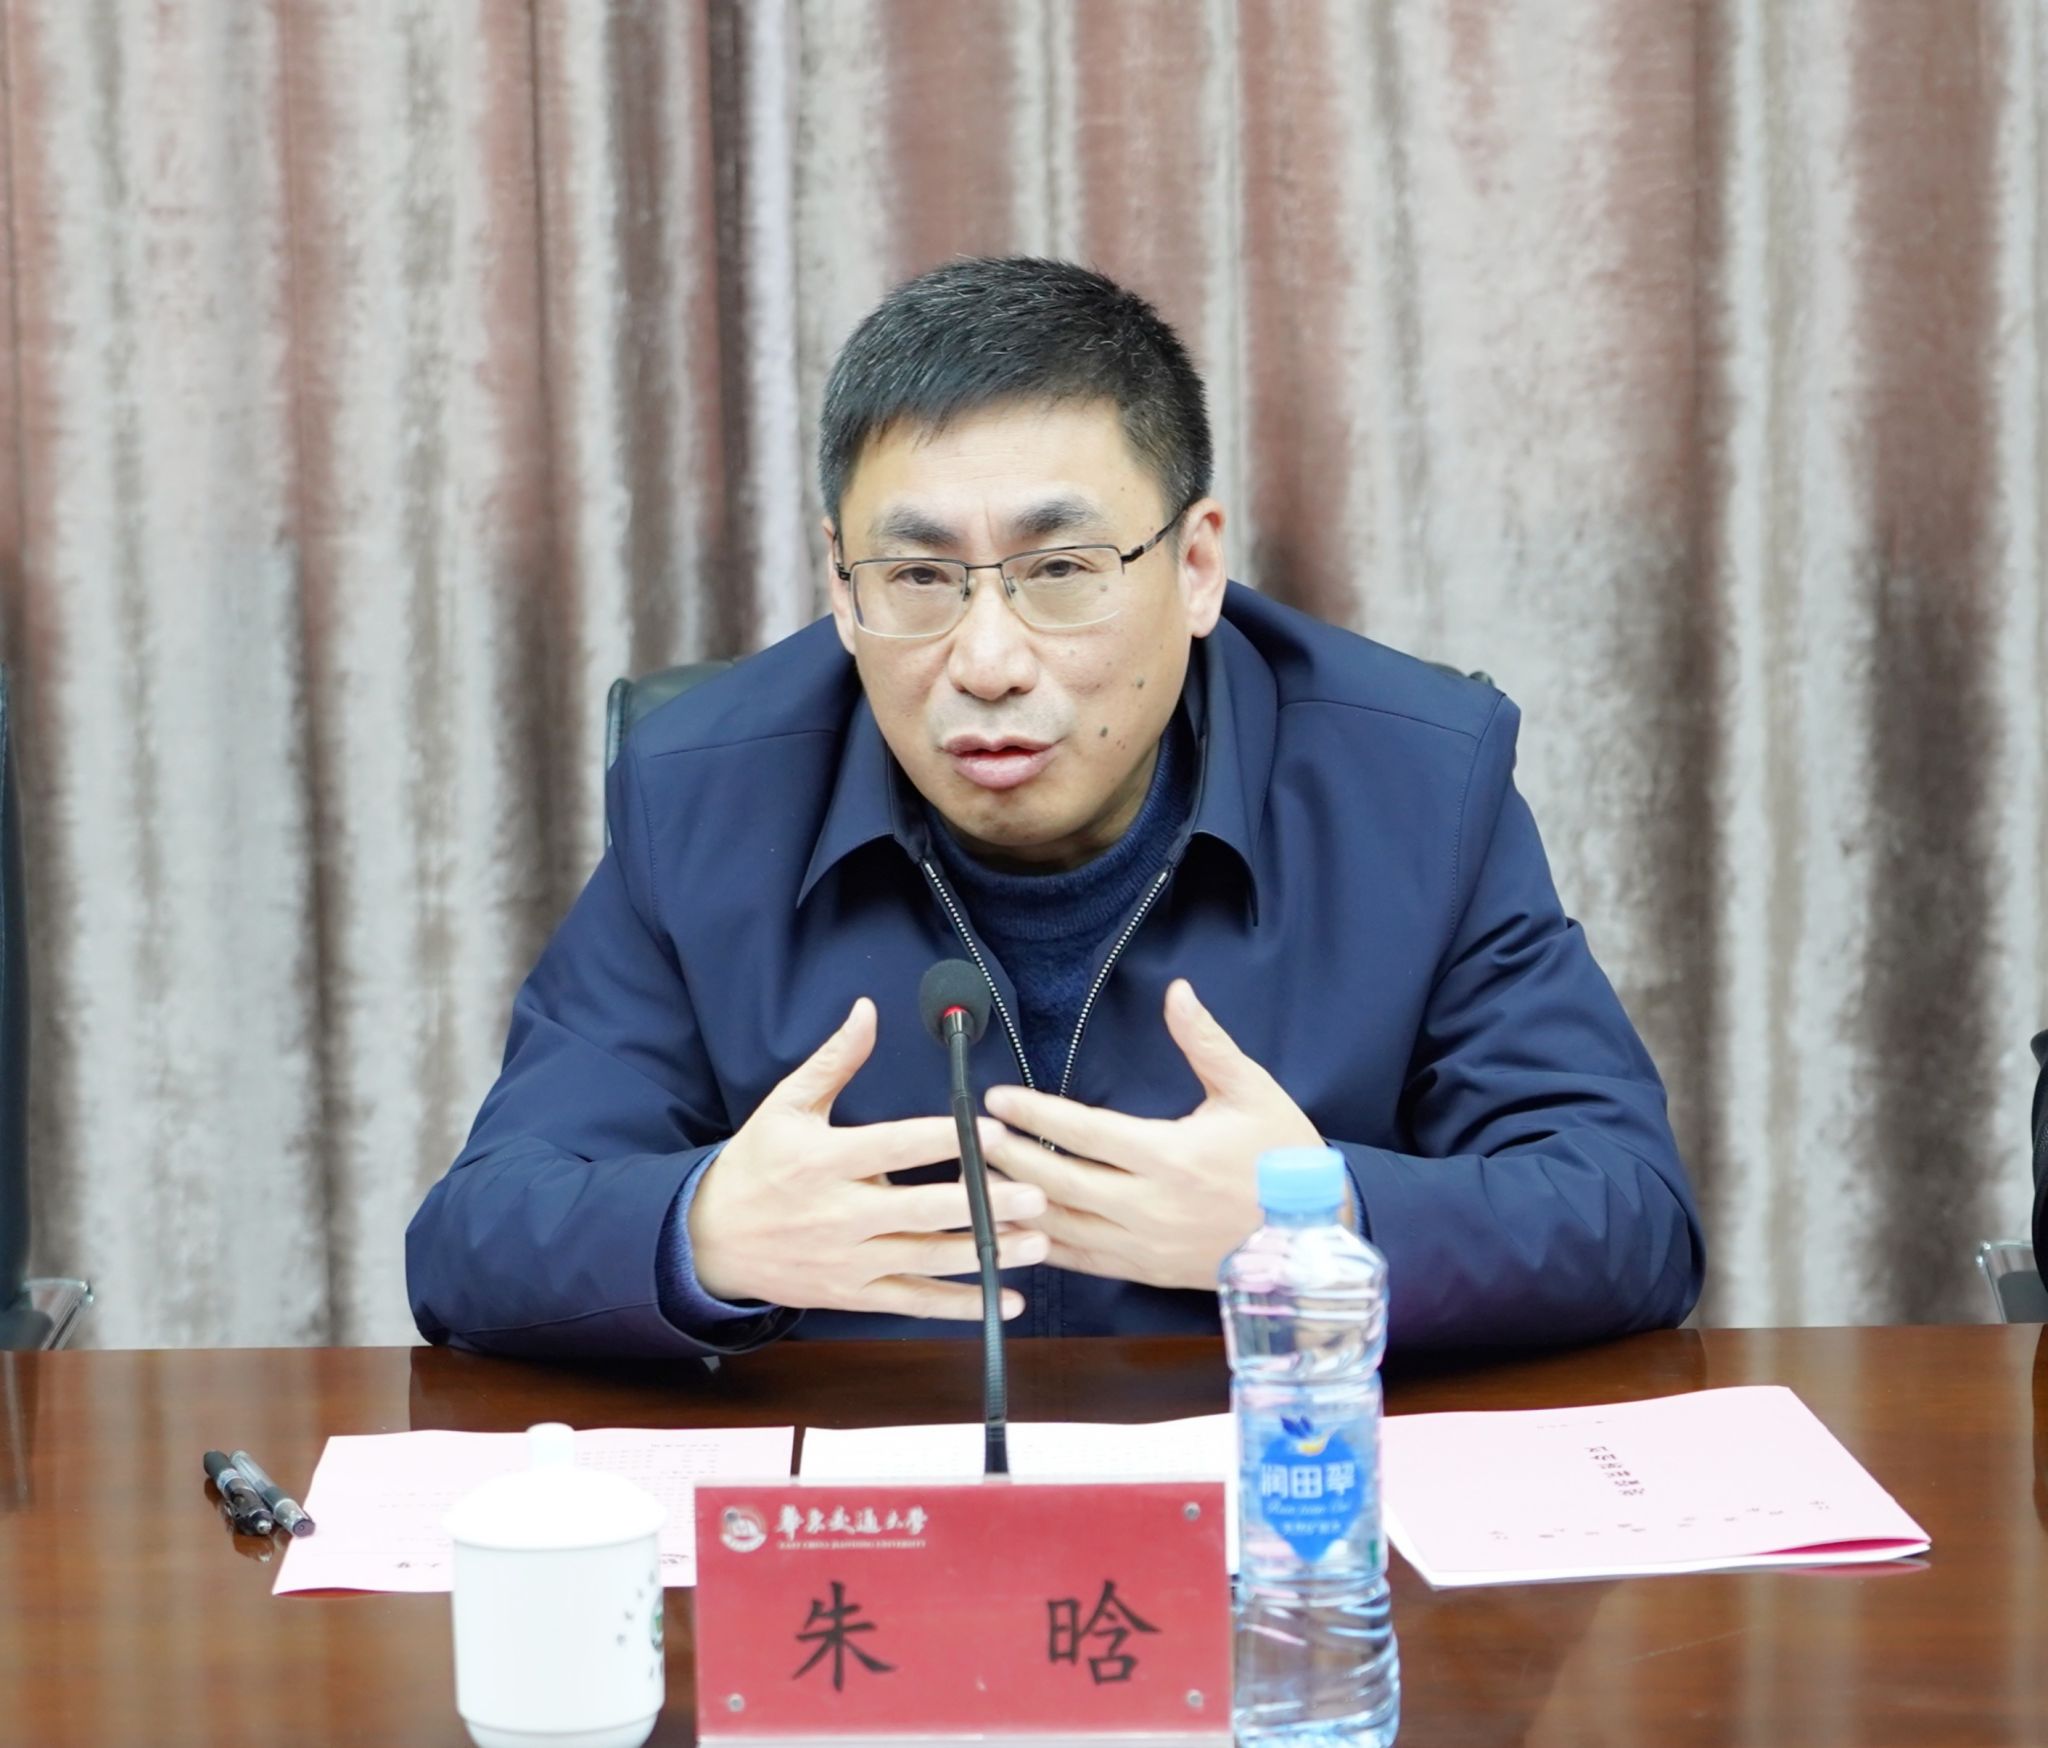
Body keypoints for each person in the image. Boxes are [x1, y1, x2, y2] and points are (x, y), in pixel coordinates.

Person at [406, 256, 1705, 1359]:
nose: (986, 660)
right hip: (877, 1529)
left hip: (1263, 1508)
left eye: (1061, 569)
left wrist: (1319, 1225)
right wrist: (703, 1234)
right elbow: (475, 1238)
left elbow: (1630, 1212)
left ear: (1196, 566)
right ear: (842, 589)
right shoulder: (704, 792)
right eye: (918, 576)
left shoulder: (1411, 778)